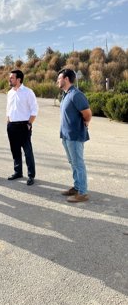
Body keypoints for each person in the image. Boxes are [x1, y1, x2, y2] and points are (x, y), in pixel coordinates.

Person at [57, 68, 92, 203]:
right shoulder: (66, 94)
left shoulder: (76, 95)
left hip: (75, 136)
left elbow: (87, 114)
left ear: (66, 79)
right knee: (73, 163)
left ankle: (83, 193)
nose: (57, 81)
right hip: (66, 136)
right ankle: (77, 187)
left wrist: (85, 124)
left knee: (78, 163)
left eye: (59, 78)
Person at [6, 69, 38, 186]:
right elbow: (8, 109)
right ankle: (18, 172)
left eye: (12, 78)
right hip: (12, 126)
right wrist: (8, 122)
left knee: (28, 151)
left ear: (19, 79)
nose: (9, 79)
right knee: (15, 151)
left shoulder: (28, 92)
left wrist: (29, 124)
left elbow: (34, 110)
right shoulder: (10, 93)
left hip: (24, 125)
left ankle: (31, 175)